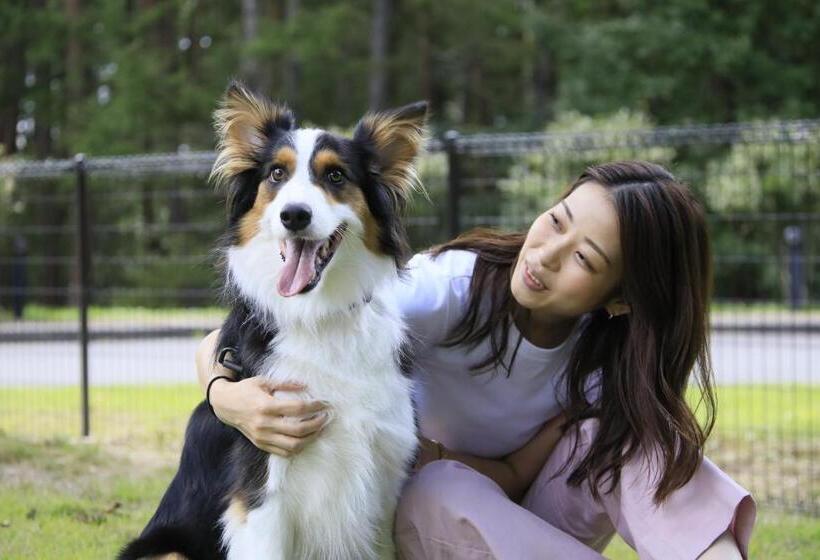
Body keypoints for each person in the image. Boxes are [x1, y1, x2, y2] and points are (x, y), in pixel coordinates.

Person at [197, 161, 755, 559]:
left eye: (584, 258)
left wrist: (491, 469)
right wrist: (227, 397)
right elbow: (227, 339)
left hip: (534, 532)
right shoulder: (449, 290)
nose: (546, 255)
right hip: (430, 523)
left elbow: (535, 475)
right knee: (442, 483)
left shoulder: (609, 355)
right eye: (557, 221)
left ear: (622, 299)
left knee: (631, 434)